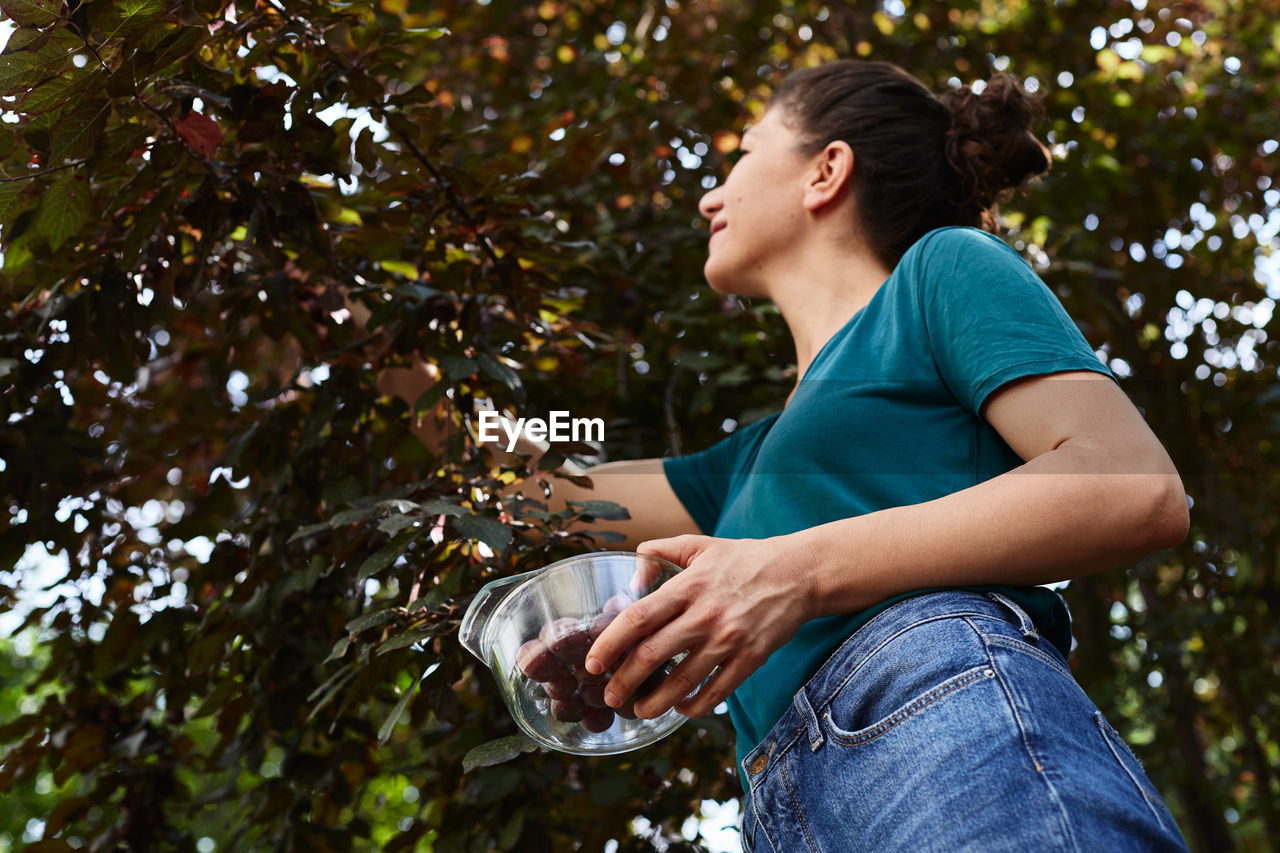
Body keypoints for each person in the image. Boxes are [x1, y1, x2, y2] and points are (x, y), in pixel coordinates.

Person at [372, 59, 1191, 851]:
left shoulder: (941, 271)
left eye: (741, 154)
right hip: (779, 803)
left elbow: (1135, 488)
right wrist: (376, 346)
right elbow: (531, 480)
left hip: (939, 708)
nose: (708, 195)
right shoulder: (745, 462)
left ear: (826, 171)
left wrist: (792, 572)